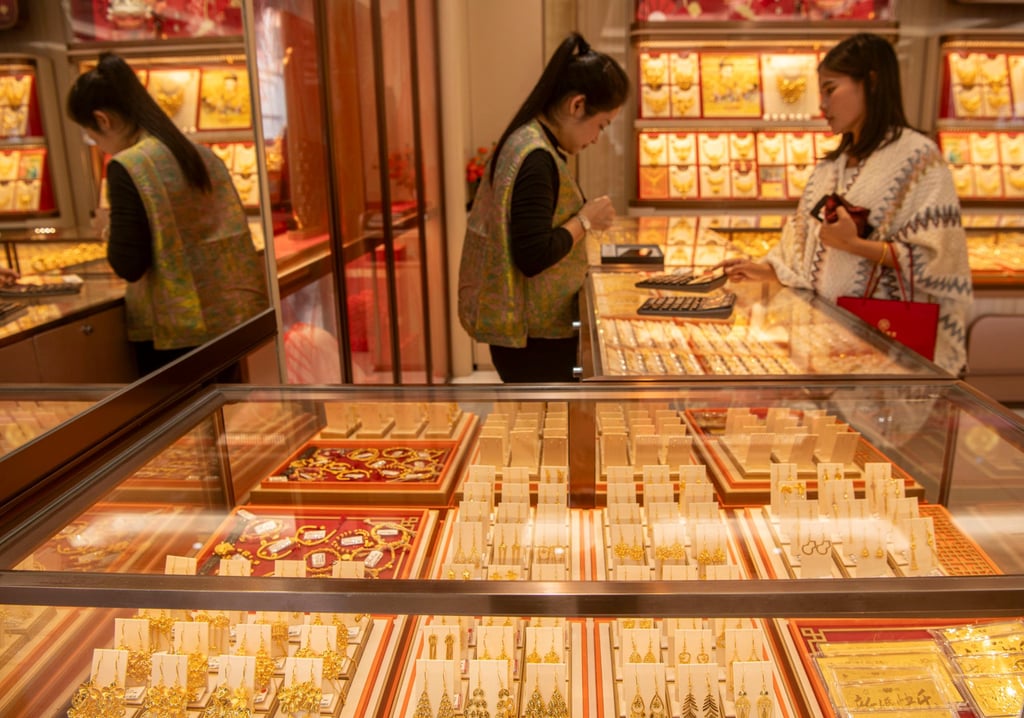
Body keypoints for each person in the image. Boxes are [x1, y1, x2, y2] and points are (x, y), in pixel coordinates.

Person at [720, 33, 972, 376]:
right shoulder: (831, 166)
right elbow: (803, 247)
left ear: (870, 82)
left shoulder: (918, 160)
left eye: (830, 89)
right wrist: (768, 268)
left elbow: (940, 259)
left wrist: (855, 245)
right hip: (826, 343)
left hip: (888, 350)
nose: (822, 104)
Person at [66, 52, 267, 376]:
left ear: (103, 120)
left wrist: (109, 228)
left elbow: (129, 264)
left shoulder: (130, 165)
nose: (99, 145)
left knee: (182, 425)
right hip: (226, 323)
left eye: (94, 136)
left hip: (174, 337)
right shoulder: (200, 155)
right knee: (228, 419)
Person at [458, 33, 630, 382]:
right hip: (536, 341)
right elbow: (533, 254)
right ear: (577, 105)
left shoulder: (526, 138)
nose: (597, 138)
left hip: (528, 338)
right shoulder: (537, 158)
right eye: (601, 125)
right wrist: (585, 219)